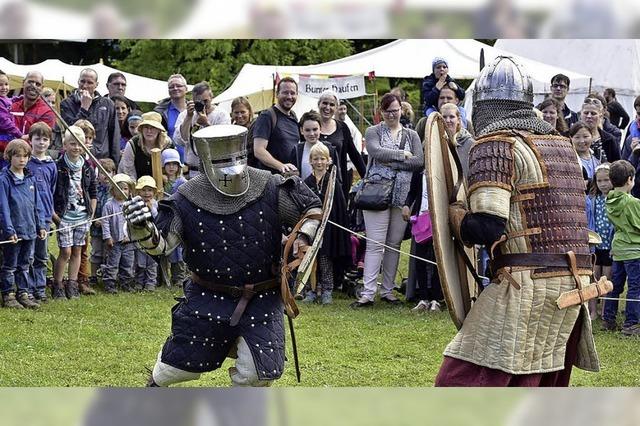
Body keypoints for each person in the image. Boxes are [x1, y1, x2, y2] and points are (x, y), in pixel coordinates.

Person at [435, 56, 600, 387]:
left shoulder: (496, 144)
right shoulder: (563, 145)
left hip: (527, 285)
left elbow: (487, 226)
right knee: (538, 382)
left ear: (483, 105)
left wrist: (453, 215)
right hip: (575, 286)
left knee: (464, 380)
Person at [123, 124, 322, 387]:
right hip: (208, 297)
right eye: (221, 160)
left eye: (234, 157)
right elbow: (161, 246)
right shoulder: (186, 198)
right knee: (174, 368)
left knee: (258, 373)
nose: (230, 167)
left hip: (262, 297)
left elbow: (312, 210)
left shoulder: (270, 186)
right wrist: (140, 227)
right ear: (206, 160)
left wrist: (303, 237)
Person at [350, 93, 425, 308]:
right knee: (375, 244)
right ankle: (367, 292)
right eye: (388, 110)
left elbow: (419, 162)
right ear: (381, 112)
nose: (392, 114)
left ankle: (388, 291)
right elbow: (375, 151)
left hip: (402, 195)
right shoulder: (373, 131)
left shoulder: (411, 134)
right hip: (376, 193)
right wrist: (403, 156)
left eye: (395, 110)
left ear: (402, 110)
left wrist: (393, 163)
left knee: (393, 244)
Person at [52, 126, 97, 300]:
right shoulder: (58, 166)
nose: (77, 147)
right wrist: (55, 217)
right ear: (65, 144)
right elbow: (50, 192)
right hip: (65, 216)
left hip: (82, 215)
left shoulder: (87, 167)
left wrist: (91, 213)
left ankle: (72, 283)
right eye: (72, 143)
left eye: (80, 144)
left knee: (77, 250)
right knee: (66, 252)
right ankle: (58, 284)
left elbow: (93, 191)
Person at [302, 143, 351, 305]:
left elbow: (339, 207)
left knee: (325, 260)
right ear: (311, 161)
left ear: (328, 160)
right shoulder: (307, 182)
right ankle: (311, 290)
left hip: (328, 229)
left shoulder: (333, 181)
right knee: (310, 259)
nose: (319, 162)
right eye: (316, 159)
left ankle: (327, 290)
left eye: (322, 158)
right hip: (312, 227)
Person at [0, 139, 46, 309]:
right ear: (9, 156)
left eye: (25, 156)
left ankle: (23, 293)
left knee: (25, 263)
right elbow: (3, 207)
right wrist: (9, 230)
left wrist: (40, 225)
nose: (22, 160)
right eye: (17, 156)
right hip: (13, 232)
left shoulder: (30, 178)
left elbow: (37, 205)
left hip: (30, 230)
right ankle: (8, 294)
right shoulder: (4, 180)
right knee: (10, 264)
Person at [602, 160, 640, 336]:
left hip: (618, 250)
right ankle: (631, 324)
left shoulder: (609, 200)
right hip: (634, 250)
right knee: (635, 287)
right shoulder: (632, 203)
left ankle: (608, 318)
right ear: (630, 179)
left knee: (615, 285)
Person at [402, 168, 443, 313]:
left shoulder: (442, 167)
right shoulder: (419, 172)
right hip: (421, 219)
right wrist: (407, 205)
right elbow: (412, 192)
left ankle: (436, 298)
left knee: (438, 260)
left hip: (439, 219)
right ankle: (423, 297)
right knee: (420, 259)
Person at [60, 68, 121, 164]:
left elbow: (114, 135)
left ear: (96, 85)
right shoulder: (66, 103)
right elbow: (70, 131)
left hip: (101, 160)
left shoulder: (107, 104)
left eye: (90, 83)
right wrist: (84, 108)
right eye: (82, 81)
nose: (85, 86)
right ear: (78, 81)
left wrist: (115, 162)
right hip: (76, 158)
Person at [26, 122, 57, 302]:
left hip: (44, 216)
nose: (41, 143)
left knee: (41, 254)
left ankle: (40, 288)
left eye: (45, 139)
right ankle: (28, 289)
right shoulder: (26, 162)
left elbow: (51, 189)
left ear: (49, 142)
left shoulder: (51, 165)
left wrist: (50, 213)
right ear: (30, 140)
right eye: (37, 139)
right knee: (28, 255)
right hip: (28, 215)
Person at [173, 81, 230, 178]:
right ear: (193, 100)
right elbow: (179, 140)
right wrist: (188, 117)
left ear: (211, 97)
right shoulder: (185, 115)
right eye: (199, 102)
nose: (203, 105)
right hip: (191, 171)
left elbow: (224, 142)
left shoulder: (221, 115)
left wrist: (207, 124)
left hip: (215, 169)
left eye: (205, 101)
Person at [316, 90, 366, 198]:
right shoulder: (310, 126)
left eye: (332, 104)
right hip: (314, 184)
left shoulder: (342, 128)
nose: (327, 107)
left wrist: (366, 178)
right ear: (319, 104)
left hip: (338, 184)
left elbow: (354, 155)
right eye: (324, 103)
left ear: (336, 108)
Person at [252, 76, 300, 175]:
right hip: (271, 180)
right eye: (285, 92)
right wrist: (281, 166)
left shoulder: (293, 117)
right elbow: (258, 150)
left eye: (292, 93)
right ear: (277, 94)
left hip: (289, 178)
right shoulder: (267, 116)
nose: (289, 97)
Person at [101, 173, 136, 294]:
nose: (123, 191)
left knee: (128, 263)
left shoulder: (131, 205)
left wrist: (130, 236)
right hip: (114, 241)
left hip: (128, 242)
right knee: (112, 263)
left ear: (130, 190)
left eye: (125, 188)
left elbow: (134, 223)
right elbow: (105, 222)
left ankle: (126, 283)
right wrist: (107, 237)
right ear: (113, 190)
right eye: (119, 188)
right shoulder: (109, 205)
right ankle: (110, 283)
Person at [587, 163, 614, 320]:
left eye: (607, 180)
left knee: (607, 280)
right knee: (594, 279)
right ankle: (592, 311)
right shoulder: (592, 200)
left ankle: (605, 310)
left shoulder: (615, 199)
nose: (603, 184)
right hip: (595, 247)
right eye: (600, 181)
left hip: (610, 246)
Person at [118, 111, 173, 180]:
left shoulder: (168, 144)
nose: (149, 131)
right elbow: (129, 172)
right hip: (138, 185)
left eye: (153, 128)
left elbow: (174, 170)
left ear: (159, 130)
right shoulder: (133, 144)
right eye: (146, 127)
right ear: (141, 129)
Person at [161, 148, 187, 288]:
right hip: (163, 219)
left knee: (177, 248)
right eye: (168, 164)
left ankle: (179, 278)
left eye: (174, 164)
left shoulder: (181, 182)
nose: (171, 167)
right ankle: (163, 278)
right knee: (163, 246)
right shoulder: (159, 180)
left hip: (177, 218)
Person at [89, 158, 116, 288]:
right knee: (96, 253)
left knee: (109, 253)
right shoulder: (94, 189)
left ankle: (108, 276)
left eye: (109, 172)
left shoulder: (116, 191)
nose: (106, 175)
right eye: (102, 172)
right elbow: (91, 208)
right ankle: (93, 275)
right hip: (96, 228)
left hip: (112, 230)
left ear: (114, 173)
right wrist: (95, 221)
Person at [290, 110, 339, 181]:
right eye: (307, 130)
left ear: (320, 129)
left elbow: (337, 177)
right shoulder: (297, 150)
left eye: (315, 129)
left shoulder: (329, 149)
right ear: (301, 130)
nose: (312, 133)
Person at [132, 175, 159, 292]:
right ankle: (139, 282)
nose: (146, 193)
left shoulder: (155, 204)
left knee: (152, 262)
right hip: (140, 236)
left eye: (149, 190)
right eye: (143, 190)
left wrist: (151, 208)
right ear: (138, 191)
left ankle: (150, 283)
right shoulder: (136, 203)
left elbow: (157, 218)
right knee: (140, 261)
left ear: (154, 192)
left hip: (152, 237)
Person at [10, 71, 56, 136]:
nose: (33, 86)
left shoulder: (47, 112)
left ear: (42, 88)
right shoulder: (11, 106)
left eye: (38, 84)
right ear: (23, 83)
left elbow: (40, 139)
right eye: (30, 82)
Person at [154, 74, 187, 160]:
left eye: (179, 86)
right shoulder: (160, 112)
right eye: (171, 87)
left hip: (193, 160)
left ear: (186, 89)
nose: (175, 88)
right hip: (170, 162)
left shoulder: (195, 110)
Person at [580, 97, 620, 164]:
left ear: (600, 116)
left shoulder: (610, 140)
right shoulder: (571, 137)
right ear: (581, 114)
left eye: (593, 113)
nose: (589, 116)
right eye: (586, 113)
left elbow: (617, 166)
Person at [440, 102, 474, 177]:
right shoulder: (435, 142)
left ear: (458, 120)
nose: (448, 120)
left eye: (451, 117)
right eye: (444, 117)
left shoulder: (469, 143)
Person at [0, 70, 22, 157]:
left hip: (8, 136)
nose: (4, 87)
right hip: (2, 138)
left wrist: (23, 97)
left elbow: (11, 100)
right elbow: (4, 121)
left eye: (6, 84)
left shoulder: (4, 98)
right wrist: (19, 134)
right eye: (0, 85)